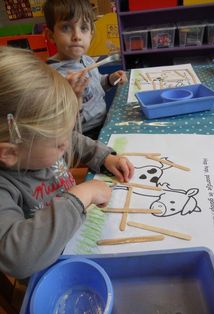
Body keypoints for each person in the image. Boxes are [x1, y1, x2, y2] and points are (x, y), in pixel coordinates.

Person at [0, 46, 134, 279]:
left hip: (78, 235)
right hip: (48, 270)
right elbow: (17, 258)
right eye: (58, 144)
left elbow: (72, 141)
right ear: (10, 154)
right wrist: (82, 196)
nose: (66, 144)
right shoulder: (4, 187)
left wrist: (105, 157)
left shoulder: (33, 147)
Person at [43, 0, 127, 140]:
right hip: (82, 137)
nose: (77, 36)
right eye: (66, 28)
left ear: (91, 34)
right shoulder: (51, 77)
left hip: (105, 123)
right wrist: (74, 98)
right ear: (51, 35)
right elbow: (57, 125)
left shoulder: (87, 60)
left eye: (83, 28)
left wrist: (110, 79)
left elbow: (97, 85)